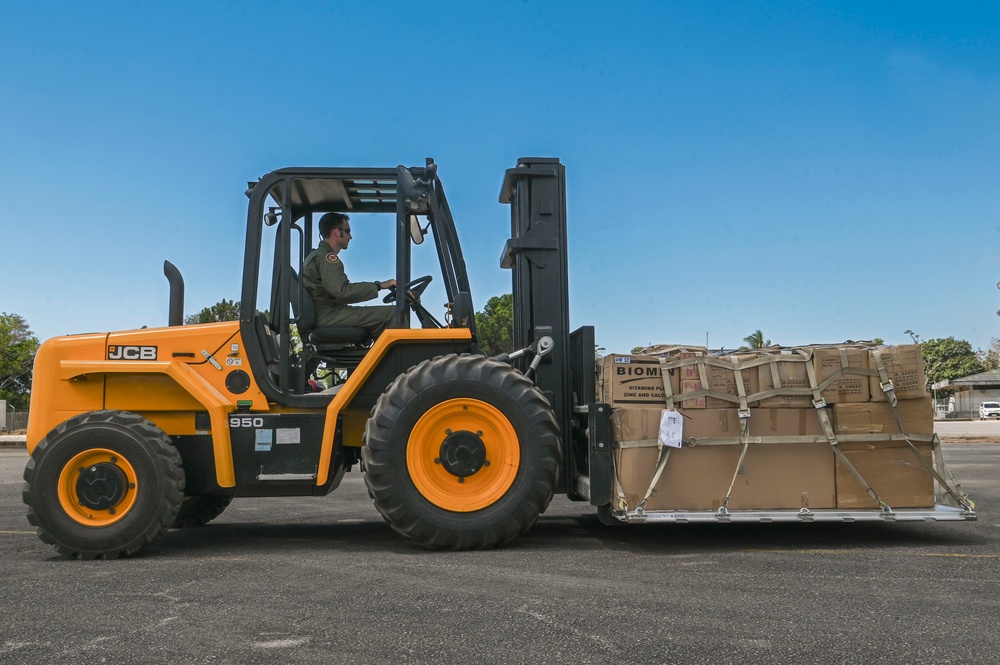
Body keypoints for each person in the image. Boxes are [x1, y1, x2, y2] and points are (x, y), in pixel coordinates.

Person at [302, 212, 397, 337]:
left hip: (328, 314)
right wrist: (380, 285)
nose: (350, 236)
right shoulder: (326, 257)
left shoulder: (319, 256)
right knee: (395, 312)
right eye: (347, 231)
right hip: (328, 316)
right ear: (337, 232)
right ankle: (401, 357)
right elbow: (343, 292)